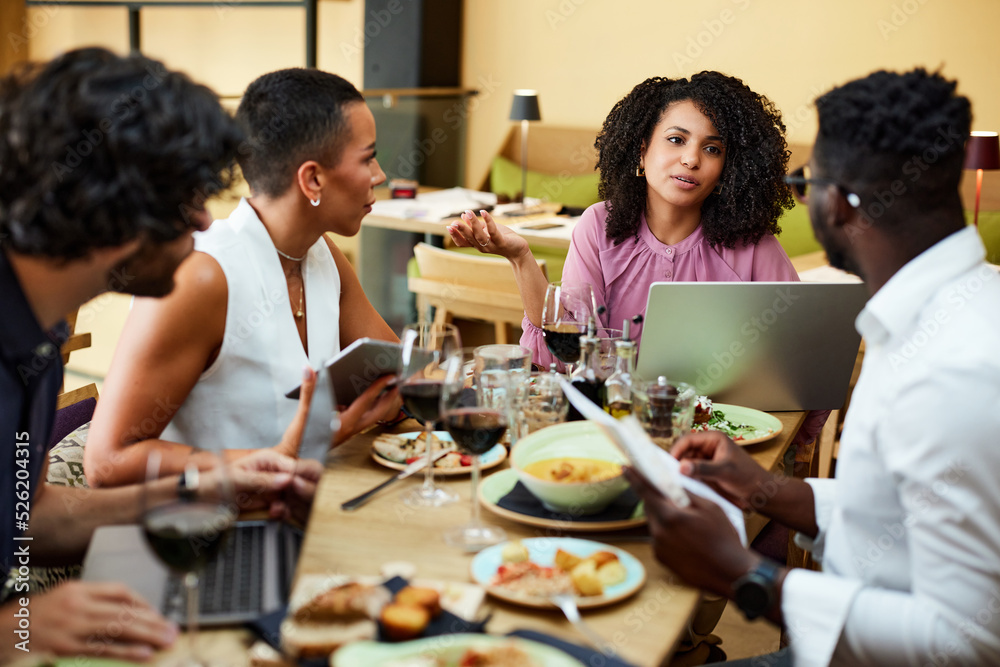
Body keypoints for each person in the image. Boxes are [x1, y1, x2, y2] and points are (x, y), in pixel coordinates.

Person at [627, 68, 1000, 666]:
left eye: (808, 180)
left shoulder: (952, 373)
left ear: (838, 202)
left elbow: (968, 643)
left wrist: (744, 574)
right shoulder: (938, 311)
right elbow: (892, 515)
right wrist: (766, 489)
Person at [0, 48, 322, 661]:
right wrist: (15, 628)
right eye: (185, 203)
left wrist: (211, 488)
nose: (205, 221)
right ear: (113, 210)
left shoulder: (40, 335)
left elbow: (27, 519)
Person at [85, 68, 403, 487]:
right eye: (367, 158)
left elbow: (398, 379)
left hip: (306, 506)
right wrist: (295, 450)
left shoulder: (325, 258)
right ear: (312, 179)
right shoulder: (201, 278)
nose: (379, 175)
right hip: (207, 533)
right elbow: (107, 462)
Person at [448, 72, 799, 368]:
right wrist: (520, 257)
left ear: (728, 168)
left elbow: (798, 353)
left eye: (712, 149)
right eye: (676, 140)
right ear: (642, 151)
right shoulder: (598, 227)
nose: (691, 159)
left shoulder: (754, 245)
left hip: (724, 432)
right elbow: (569, 354)